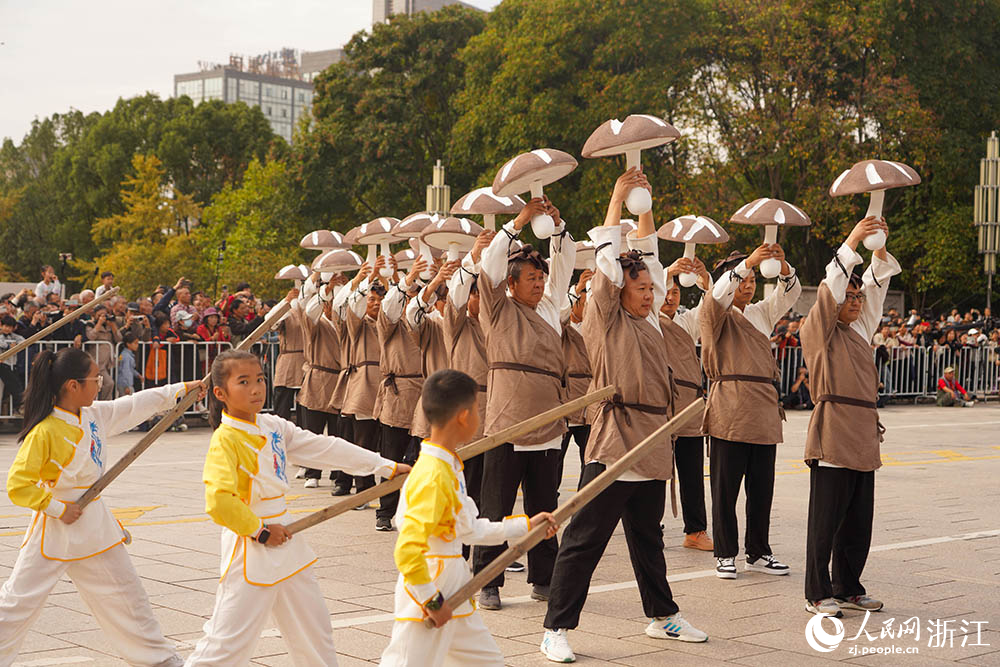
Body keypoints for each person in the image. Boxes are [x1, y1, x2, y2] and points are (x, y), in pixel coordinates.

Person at [540, 168, 708, 663]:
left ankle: (662, 616)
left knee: (647, 538)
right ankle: (556, 627)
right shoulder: (605, 315)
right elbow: (612, 268)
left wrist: (644, 207)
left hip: (655, 440)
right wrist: (616, 201)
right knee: (585, 539)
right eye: (640, 291)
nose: (649, 295)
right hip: (616, 438)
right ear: (620, 293)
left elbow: (650, 259)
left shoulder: (653, 319)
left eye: (651, 291)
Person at [184, 349, 408, 665]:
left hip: (288, 540)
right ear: (221, 393)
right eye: (244, 382)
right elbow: (219, 501)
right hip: (252, 547)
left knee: (314, 635)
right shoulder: (226, 440)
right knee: (226, 644)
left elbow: (325, 448)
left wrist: (384, 465)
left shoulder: (273, 425)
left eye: (260, 379)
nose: (256, 389)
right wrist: (260, 532)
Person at [0, 347, 201, 665]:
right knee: (17, 604)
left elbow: (134, 405)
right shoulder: (45, 431)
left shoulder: (93, 415)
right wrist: (56, 508)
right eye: (96, 378)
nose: (101, 382)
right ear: (72, 386)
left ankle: (160, 660)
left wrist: (180, 390)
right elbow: (18, 485)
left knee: (128, 597)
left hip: (95, 525)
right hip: (56, 529)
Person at [379, 369, 558, 667]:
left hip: (456, 589)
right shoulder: (432, 475)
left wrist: (526, 526)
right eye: (477, 409)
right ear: (463, 416)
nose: (479, 416)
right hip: (429, 595)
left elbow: (469, 529)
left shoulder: (449, 466)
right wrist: (431, 600)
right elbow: (408, 551)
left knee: (489, 662)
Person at [471, 195, 575, 611]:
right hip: (506, 422)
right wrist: (519, 221)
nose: (537, 283)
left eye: (539, 277)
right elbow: (490, 266)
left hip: (548, 423)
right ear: (511, 284)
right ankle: (489, 581)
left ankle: (544, 579)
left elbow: (564, 265)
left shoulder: (552, 308)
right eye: (529, 277)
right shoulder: (497, 308)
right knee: (496, 506)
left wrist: (557, 222)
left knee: (544, 506)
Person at [799, 216, 899, 617]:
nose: (856, 302)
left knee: (858, 521)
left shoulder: (860, 332)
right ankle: (817, 592)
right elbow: (830, 290)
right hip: (833, 431)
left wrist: (877, 247)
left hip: (862, 432)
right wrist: (855, 238)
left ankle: (848, 586)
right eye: (849, 297)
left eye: (859, 298)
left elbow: (877, 287)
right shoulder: (819, 331)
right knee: (825, 522)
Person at [699, 233, 801, 580]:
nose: (749, 284)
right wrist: (748, 262)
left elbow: (789, 293)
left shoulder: (760, 312)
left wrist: (782, 265)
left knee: (762, 488)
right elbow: (716, 295)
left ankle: (758, 551)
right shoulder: (715, 313)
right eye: (744, 278)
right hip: (730, 405)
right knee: (725, 488)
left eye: (755, 279)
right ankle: (725, 553)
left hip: (762, 408)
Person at [659, 255, 714, 552]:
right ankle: (650, 526)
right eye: (665, 290)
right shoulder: (645, 319)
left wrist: (705, 282)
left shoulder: (685, 321)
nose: (670, 296)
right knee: (654, 470)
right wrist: (668, 271)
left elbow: (709, 309)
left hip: (690, 407)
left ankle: (696, 530)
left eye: (676, 291)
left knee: (692, 472)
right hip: (661, 405)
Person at [372, 256, 427, 531]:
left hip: (427, 393)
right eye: (409, 295)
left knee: (424, 457)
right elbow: (390, 306)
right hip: (399, 393)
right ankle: (385, 512)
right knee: (392, 457)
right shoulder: (389, 322)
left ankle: (419, 510)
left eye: (418, 293)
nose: (413, 299)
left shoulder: (427, 320)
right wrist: (406, 281)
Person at [334, 260, 385, 499]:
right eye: (371, 300)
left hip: (386, 386)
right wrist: (363, 280)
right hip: (363, 386)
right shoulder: (357, 324)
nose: (375, 304)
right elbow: (347, 308)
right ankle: (363, 487)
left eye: (379, 300)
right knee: (362, 440)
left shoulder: (389, 324)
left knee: (383, 440)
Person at [558, 268, 593, 488]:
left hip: (590, 396)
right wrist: (577, 289)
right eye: (583, 300)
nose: (586, 304)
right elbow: (558, 314)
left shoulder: (595, 327)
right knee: (554, 458)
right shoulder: (561, 326)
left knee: (589, 457)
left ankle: (585, 499)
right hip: (566, 396)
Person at [272, 293, 306, 424]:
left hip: (305, 361)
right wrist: (286, 300)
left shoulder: (308, 310)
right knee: (282, 405)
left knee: (304, 407)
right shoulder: (286, 311)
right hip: (287, 361)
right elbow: (272, 322)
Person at [0, 315, 26, 412]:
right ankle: (19, 407)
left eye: (10, 327)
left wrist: (15, 345)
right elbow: (2, 344)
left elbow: (23, 341)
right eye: (6, 326)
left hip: (11, 366)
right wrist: (8, 345)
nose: (7, 329)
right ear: (1, 325)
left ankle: (18, 407)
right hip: (2, 365)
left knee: (15, 386)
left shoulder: (15, 337)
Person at [117, 332, 143, 396]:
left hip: (125, 383)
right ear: (128, 344)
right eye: (135, 343)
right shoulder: (126, 356)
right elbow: (125, 371)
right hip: (125, 384)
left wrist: (138, 375)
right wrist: (127, 386)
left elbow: (130, 369)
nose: (137, 345)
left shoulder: (127, 355)